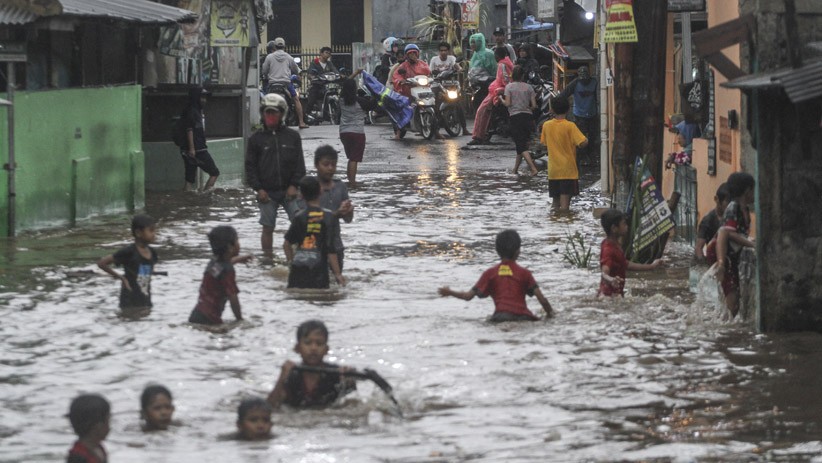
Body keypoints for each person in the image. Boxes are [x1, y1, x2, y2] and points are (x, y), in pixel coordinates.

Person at [438, 229, 554, 322]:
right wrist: (551, 315)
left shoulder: (490, 273)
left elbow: (468, 296)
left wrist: (449, 292)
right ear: (518, 251)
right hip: (524, 318)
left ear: (497, 250)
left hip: (500, 317)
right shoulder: (524, 273)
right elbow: (542, 299)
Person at [246, 93, 306, 255]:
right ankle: (267, 259)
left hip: (290, 192)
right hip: (267, 192)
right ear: (262, 113)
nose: (270, 116)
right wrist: (259, 189)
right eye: (267, 112)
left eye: (274, 112)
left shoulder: (292, 137)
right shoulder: (255, 140)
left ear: (282, 114)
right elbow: (250, 169)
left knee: (301, 223)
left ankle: (300, 257)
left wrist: (294, 186)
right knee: (267, 227)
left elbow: (300, 166)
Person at [267, 320, 356, 408]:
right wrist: (281, 378)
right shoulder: (291, 374)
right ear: (297, 348)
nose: (313, 348)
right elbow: (270, 407)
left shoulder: (336, 375)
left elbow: (354, 407)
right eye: (308, 343)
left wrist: (349, 382)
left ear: (326, 350)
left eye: (319, 344)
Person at [283, 176, 344, 289]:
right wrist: (338, 274)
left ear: (301, 195)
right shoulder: (328, 216)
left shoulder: (298, 217)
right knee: (319, 300)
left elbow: (287, 245)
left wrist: (291, 263)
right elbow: (331, 249)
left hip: (298, 268)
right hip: (318, 269)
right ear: (320, 191)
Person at [188, 225, 251, 325]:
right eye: (237, 240)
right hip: (211, 319)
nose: (239, 244)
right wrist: (239, 320)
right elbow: (233, 297)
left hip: (197, 314)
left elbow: (222, 267)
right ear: (230, 247)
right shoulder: (228, 271)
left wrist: (239, 259)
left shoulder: (214, 262)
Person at [715, 172, 756, 318]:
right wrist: (751, 244)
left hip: (734, 255)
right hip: (726, 255)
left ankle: (728, 324)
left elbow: (740, 235)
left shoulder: (745, 210)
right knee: (732, 301)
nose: (754, 194)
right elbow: (730, 233)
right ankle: (727, 329)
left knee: (736, 299)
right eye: (753, 190)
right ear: (747, 191)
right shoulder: (734, 207)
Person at [97, 214, 158, 312]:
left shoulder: (153, 253)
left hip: (145, 297)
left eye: (154, 230)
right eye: (151, 230)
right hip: (129, 299)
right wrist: (121, 278)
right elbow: (102, 263)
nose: (154, 234)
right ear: (138, 233)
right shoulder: (129, 252)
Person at [598, 209, 663, 297]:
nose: (627, 226)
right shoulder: (608, 250)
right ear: (614, 228)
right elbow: (604, 273)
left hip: (614, 296)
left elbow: (626, 264)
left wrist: (651, 266)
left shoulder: (613, 245)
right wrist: (611, 279)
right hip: (609, 298)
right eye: (623, 223)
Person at [540, 96, 588, 212]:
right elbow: (582, 142)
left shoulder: (546, 125)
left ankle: (554, 225)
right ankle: (564, 226)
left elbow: (544, 143)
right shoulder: (570, 126)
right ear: (567, 110)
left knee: (555, 205)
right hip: (567, 171)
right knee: (565, 207)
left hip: (553, 171)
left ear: (552, 110)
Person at [312, 145, 354, 272]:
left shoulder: (340, 187)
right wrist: (336, 213)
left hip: (336, 246)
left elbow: (348, 219)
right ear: (316, 165)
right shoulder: (309, 187)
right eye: (326, 164)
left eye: (333, 165)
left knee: (336, 285)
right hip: (312, 247)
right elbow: (307, 218)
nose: (330, 168)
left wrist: (348, 212)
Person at [467, 47, 513, 146]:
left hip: (497, 91)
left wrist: (500, 91)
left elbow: (505, 80)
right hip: (496, 90)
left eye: (495, 55)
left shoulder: (502, 65)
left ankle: (479, 136)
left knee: (481, 111)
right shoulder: (505, 63)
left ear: (498, 56)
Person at [179, 86, 220, 191]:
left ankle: (185, 200)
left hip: (189, 151)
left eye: (205, 98)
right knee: (214, 172)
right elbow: (189, 130)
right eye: (201, 97)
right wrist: (192, 148)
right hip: (198, 150)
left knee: (189, 179)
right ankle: (206, 195)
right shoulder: (192, 112)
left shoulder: (191, 111)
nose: (204, 100)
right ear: (195, 97)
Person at [261, 37, 308, 129]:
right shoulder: (288, 57)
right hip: (286, 84)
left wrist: (267, 75)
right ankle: (301, 122)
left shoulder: (269, 57)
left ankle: (263, 122)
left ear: (275, 46)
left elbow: (264, 71)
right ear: (284, 46)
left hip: (272, 84)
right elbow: (295, 69)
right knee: (296, 99)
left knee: (265, 101)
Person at [339, 76, 377, 185]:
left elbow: (345, 84)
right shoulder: (361, 102)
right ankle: (352, 182)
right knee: (354, 159)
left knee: (351, 158)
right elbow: (373, 104)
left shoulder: (341, 100)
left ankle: (349, 180)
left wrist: (356, 73)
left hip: (344, 132)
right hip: (357, 133)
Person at [558, 65, 598, 165]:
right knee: (581, 138)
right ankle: (580, 159)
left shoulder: (594, 82)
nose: (585, 81)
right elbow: (563, 95)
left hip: (592, 113)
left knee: (593, 137)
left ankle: (590, 157)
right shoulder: (575, 83)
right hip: (579, 115)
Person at [503, 65, 539, 175]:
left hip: (515, 118)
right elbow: (534, 106)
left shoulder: (509, 87)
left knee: (520, 145)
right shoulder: (529, 87)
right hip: (528, 117)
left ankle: (533, 169)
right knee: (521, 144)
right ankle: (515, 170)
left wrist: (500, 99)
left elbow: (508, 104)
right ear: (523, 76)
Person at [391, 43, 430, 139]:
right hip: (407, 91)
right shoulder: (403, 66)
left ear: (418, 54)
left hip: (421, 90)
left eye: (414, 53)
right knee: (401, 109)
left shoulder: (423, 64)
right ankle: (398, 133)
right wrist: (401, 81)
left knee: (432, 104)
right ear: (406, 55)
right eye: (410, 53)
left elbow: (429, 73)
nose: (413, 55)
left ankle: (435, 130)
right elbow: (396, 76)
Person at [66, 394, 110, 463]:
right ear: (97, 427)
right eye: (108, 421)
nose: (110, 427)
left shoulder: (99, 448)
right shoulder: (78, 457)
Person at [696, 183, 730, 263]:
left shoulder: (734, 216)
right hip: (715, 259)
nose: (730, 205)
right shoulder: (708, 220)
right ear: (716, 199)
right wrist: (704, 265)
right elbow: (698, 248)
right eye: (727, 201)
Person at [304, 46, 339, 119]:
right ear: (321, 53)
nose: (328, 55)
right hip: (317, 85)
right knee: (312, 98)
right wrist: (312, 77)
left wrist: (338, 75)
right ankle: (306, 115)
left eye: (329, 53)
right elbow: (310, 74)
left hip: (327, 85)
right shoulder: (315, 62)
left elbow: (335, 71)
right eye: (326, 53)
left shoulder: (329, 63)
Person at [467, 33, 497, 116]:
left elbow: (494, 69)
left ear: (480, 42)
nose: (472, 44)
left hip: (486, 86)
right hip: (476, 86)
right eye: (471, 42)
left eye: (474, 42)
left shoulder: (488, 54)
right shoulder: (475, 54)